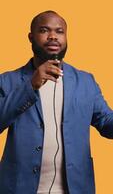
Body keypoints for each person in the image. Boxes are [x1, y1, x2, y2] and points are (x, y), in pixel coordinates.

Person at [0, 10, 113, 194]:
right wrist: (30, 86)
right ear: (31, 37)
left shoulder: (86, 81)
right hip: (19, 187)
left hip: (76, 188)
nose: (53, 36)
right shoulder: (7, 81)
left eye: (59, 31)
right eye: (44, 30)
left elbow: (107, 123)